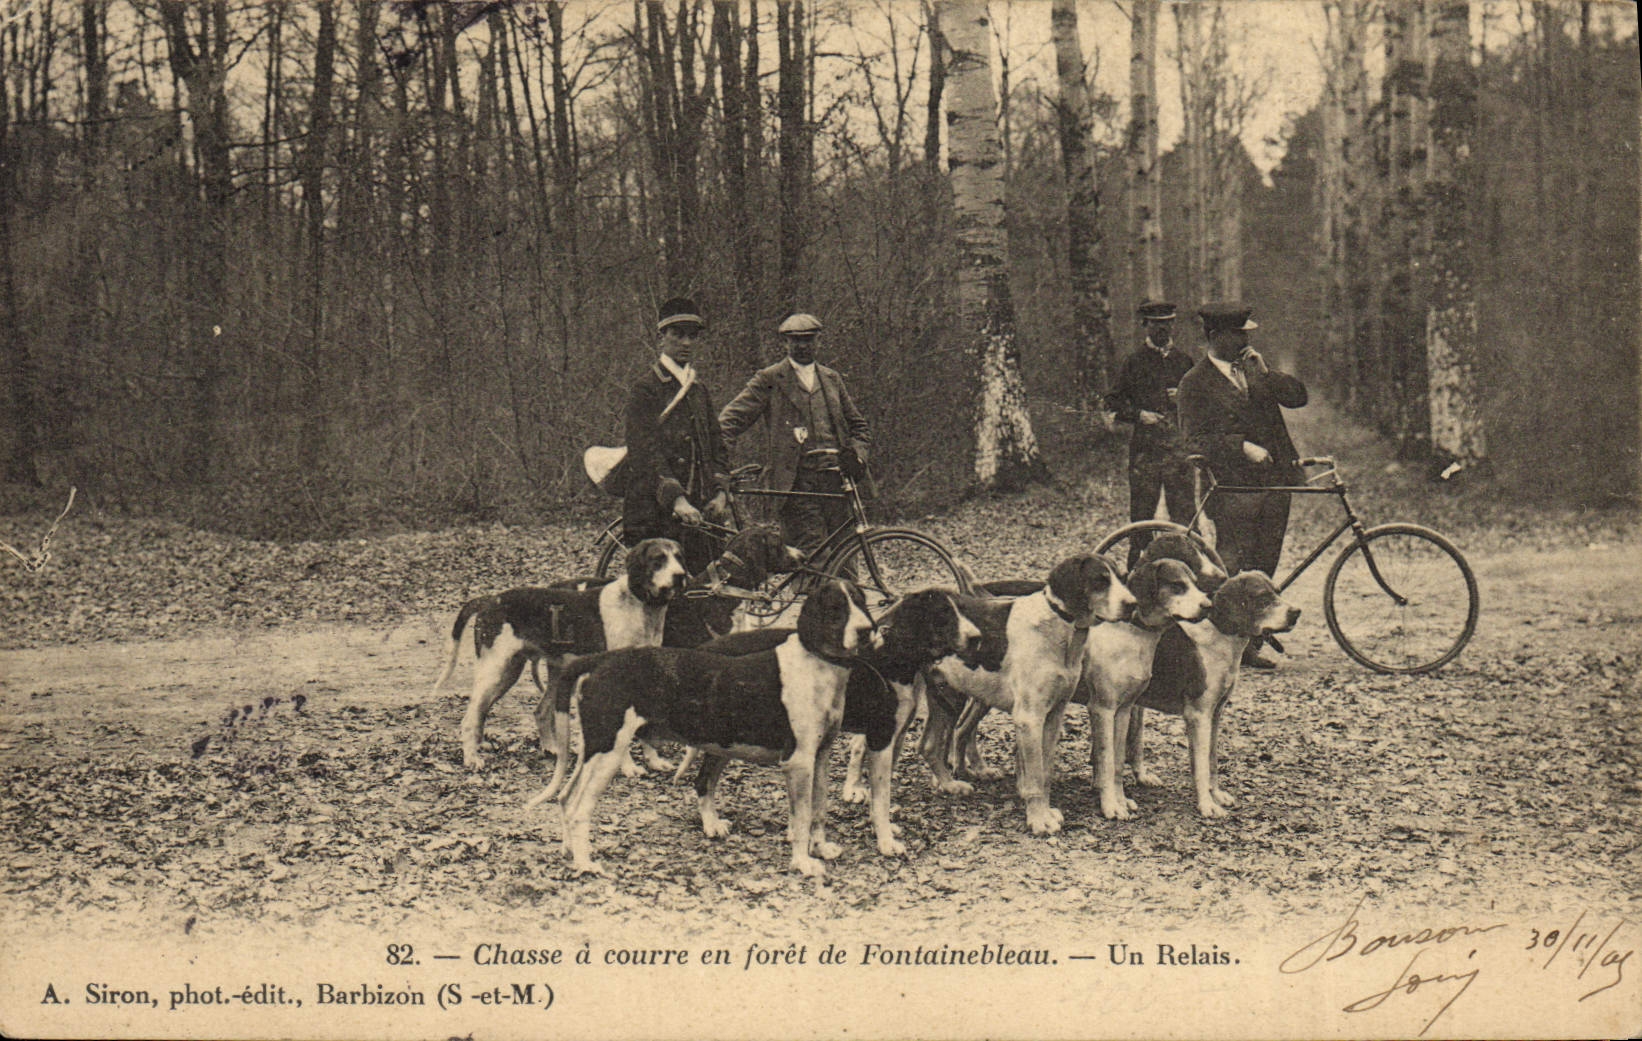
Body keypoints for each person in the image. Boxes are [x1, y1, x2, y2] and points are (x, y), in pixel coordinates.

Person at [1177, 302, 1308, 669]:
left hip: (1274, 484)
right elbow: (1193, 441)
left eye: (1246, 334)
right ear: (1216, 337)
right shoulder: (1195, 382)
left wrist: (1267, 373)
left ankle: (1248, 645)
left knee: (1265, 563)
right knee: (1232, 564)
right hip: (1233, 486)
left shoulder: (1254, 371)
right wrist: (1241, 447)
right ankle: (1214, 641)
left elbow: (1298, 397)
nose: (1245, 340)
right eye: (1238, 334)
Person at [718, 312, 873, 559]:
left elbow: (859, 427)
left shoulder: (832, 379)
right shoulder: (769, 379)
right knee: (813, 557)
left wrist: (857, 455)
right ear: (784, 343)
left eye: (809, 339)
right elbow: (728, 422)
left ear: (818, 341)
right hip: (797, 483)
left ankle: (847, 597)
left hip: (836, 482)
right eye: (795, 340)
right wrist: (720, 463)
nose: (802, 345)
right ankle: (814, 596)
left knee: (846, 555)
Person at [622, 297, 731, 575]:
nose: (686, 343)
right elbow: (644, 453)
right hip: (656, 513)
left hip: (700, 512)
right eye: (677, 334)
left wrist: (720, 493)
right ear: (662, 338)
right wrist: (677, 499)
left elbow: (717, 445)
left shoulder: (699, 390)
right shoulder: (645, 389)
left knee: (709, 594)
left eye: (692, 336)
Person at [1107, 300, 1196, 571]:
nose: (1163, 329)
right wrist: (1138, 415)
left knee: (1186, 520)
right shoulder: (1133, 362)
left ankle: (1192, 577)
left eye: (1168, 323)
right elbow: (1113, 403)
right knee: (1142, 521)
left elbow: (1202, 405)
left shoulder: (1185, 362)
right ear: (1145, 325)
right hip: (1146, 453)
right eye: (1157, 324)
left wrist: (1183, 397)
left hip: (1179, 453)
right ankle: (1136, 580)